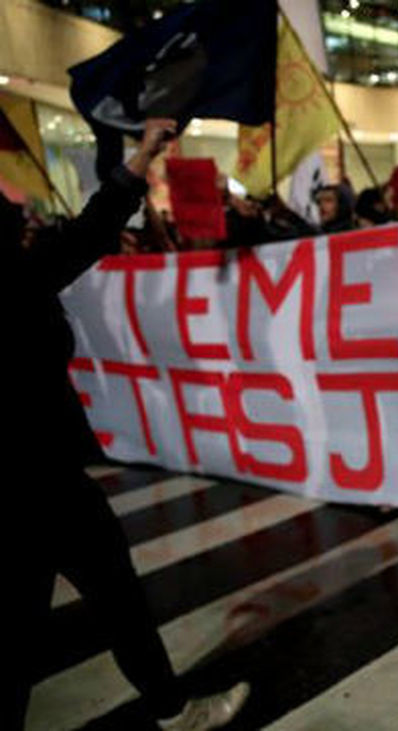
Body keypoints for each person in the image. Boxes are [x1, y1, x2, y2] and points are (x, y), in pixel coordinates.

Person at [3, 118, 249, 730]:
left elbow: (83, 234)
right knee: (115, 597)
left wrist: (141, 155)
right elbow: (87, 234)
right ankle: (173, 711)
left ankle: (172, 707)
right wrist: (143, 153)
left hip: (38, 478)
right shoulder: (17, 283)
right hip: (42, 480)